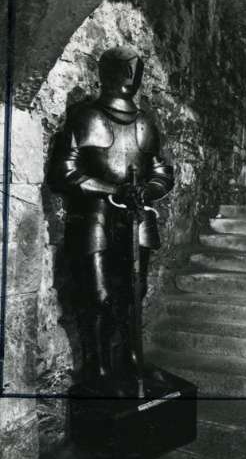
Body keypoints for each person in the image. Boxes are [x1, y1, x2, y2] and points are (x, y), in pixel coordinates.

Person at [56, 46, 174, 383]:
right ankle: (98, 367)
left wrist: (144, 191)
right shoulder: (86, 117)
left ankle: (130, 358)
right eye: (129, 69)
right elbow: (65, 173)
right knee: (97, 295)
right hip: (94, 216)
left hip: (135, 216)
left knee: (134, 292)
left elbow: (161, 172)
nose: (133, 76)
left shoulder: (146, 122)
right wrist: (112, 190)